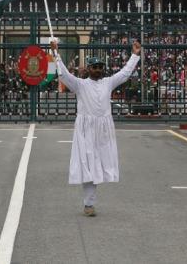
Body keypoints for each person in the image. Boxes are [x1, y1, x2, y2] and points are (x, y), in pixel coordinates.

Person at [50, 38, 141, 217]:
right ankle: (89, 204)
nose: (97, 70)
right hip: (86, 130)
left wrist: (135, 55)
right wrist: (55, 54)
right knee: (88, 165)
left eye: (100, 67)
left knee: (101, 164)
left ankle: (90, 201)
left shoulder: (108, 82)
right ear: (88, 69)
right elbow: (63, 75)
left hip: (104, 131)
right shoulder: (80, 85)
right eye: (94, 67)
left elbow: (124, 74)